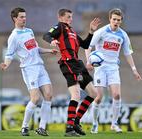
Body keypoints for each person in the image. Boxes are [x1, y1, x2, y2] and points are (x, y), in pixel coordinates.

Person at [0, 7, 58, 136]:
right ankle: (24, 127)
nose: (24, 19)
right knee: (35, 98)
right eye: (21, 17)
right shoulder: (13, 37)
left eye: (25, 16)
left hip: (40, 67)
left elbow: (36, 48)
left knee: (48, 95)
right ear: (15, 19)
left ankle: (42, 128)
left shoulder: (29, 31)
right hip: (29, 69)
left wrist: (49, 51)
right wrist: (6, 64)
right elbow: (9, 55)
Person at [43, 8, 101, 137]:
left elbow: (85, 45)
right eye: (68, 17)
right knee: (76, 95)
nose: (71, 19)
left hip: (78, 64)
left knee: (93, 93)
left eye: (71, 16)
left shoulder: (73, 32)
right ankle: (69, 128)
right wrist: (52, 40)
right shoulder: (60, 27)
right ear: (61, 18)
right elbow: (46, 35)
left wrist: (91, 31)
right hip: (68, 63)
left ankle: (76, 121)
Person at [85, 8, 142, 133]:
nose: (116, 22)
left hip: (113, 68)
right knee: (98, 98)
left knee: (116, 95)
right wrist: (89, 61)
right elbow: (87, 46)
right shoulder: (101, 31)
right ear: (110, 19)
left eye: (119, 20)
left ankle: (114, 124)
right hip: (100, 68)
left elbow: (128, 53)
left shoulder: (123, 35)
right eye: (114, 19)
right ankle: (95, 123)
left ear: (121, 21)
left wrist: (134, 70)